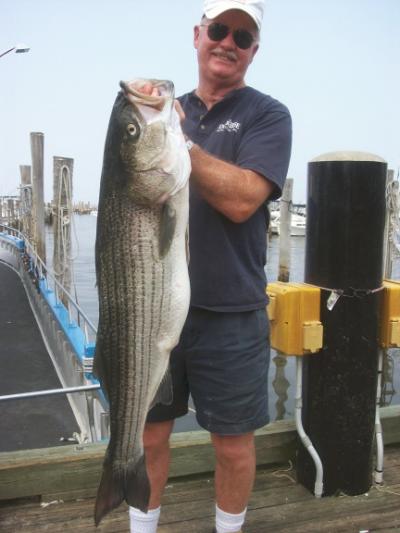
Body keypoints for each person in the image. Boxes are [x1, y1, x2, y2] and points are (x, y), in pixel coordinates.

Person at [129, 1, 292, 532]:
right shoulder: (164, 113)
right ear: (197, 35)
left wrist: (176, 142)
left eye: (241, 37)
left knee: (234, 444)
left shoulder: (268, 115)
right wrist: (151, 131)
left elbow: (245, 199)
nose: (228, 42)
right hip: (150, 309)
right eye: (218, 29)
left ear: (253, 51)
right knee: (148, 435)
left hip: (232, 311)